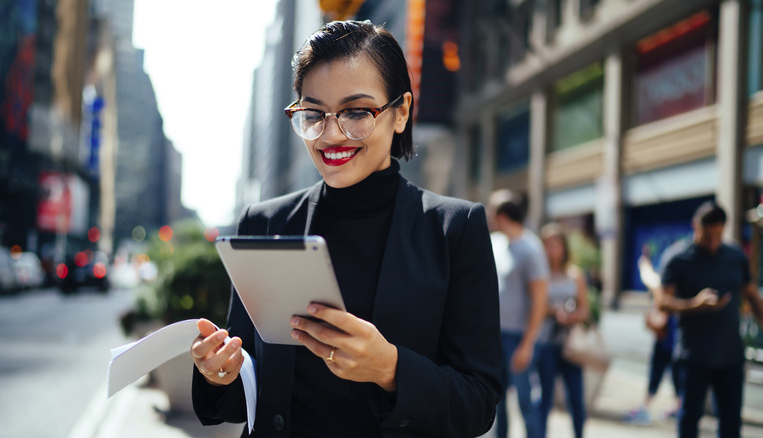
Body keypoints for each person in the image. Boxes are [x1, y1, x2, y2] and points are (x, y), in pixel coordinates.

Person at [189, 20, 503, 438]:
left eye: (357, 112)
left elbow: (479, 404)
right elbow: (242, 395)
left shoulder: (454, 229)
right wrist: (219, 373)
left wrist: (390, 369)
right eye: (314, 114)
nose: (332, 134)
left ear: (401, 112)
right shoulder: (265, 223)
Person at [659, 202, 763, 438]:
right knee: (689, 421)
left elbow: (753, 297)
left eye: (718, 234)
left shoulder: (735, 256)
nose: (714, 241)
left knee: (730, 424)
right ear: (695, 226)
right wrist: (694, 304)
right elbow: (662, 302)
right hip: (693, 357)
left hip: (730, 356)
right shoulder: (677, 258)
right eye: (708, 235)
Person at [489, 189, 549, 438]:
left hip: (519, 338)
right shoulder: (496, 242)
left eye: (492, 210)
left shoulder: (531, 248)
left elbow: (540, 300)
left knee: (525, 401)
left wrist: (528, 344)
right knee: (498, 401)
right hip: (495, 335)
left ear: (502, 215)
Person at [624, 240, 687, 426]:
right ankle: (672, 405)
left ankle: (660, 405)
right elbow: (648, 276)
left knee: (667, 370)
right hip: (668, 336)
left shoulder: (666, 280)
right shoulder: (667, 277)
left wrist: (644, 263)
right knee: (667, 370)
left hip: (670, 336)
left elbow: (648, 277)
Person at [536, 223, 589, 438]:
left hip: (570, 345)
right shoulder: (539, 274)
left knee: (576, 398)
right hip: (545, 341)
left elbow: (585, 310)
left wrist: (571, 316)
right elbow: (534, 308)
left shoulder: (575, 275)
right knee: (543, 398)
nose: (551, 249)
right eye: (547, 244)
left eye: (555, 244)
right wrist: (553, 311)